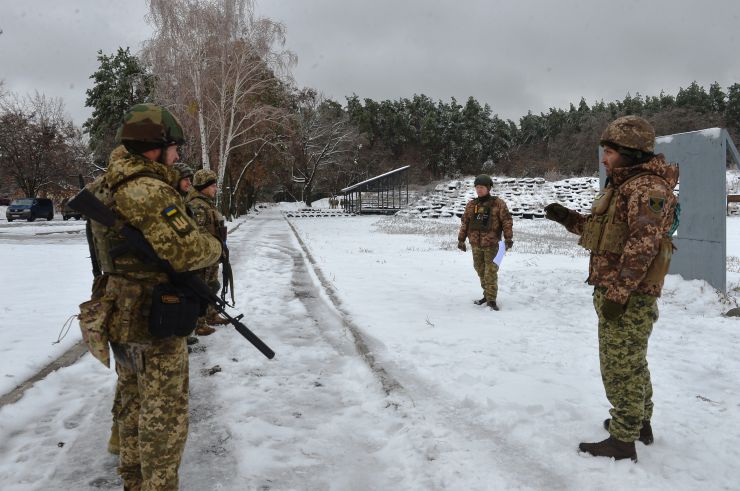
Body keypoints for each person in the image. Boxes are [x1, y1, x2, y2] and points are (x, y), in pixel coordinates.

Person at [87, 103, 222, 488]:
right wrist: (214, 247)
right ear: (153, 147)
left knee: (131, 400)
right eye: (174, 147)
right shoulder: (147, 190)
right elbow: (188, 250)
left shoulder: (105, 185)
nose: (178, 156)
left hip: (120, 311)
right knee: (164, 415)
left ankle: (133, 479)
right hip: (153, 318)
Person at [544, 115, 678, 462]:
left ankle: (622, 441)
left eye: (609, 151)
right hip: (618, 290)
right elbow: (602, 232)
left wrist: (618, 295)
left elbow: (643, 247)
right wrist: (566, 218)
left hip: (628, 295)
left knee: (620, 367)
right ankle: (638, 423)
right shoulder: (622, 186)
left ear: (630, 152)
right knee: (632, 363)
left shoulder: (646, 189)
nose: (604, 158)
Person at [457, 174, 513, 310]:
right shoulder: (471, 205)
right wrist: (461, 240)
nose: (479, 190)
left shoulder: (498, 203)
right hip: (476, 245)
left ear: (488, 188)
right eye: (477, 187)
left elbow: (507, 221)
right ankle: (486, 295)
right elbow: (465, 223)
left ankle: (492, 300)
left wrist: (508, 239)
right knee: (480, 270)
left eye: (481, 187)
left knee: (491, 272)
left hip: (495, 246)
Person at [188, 168, 230, 334]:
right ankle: (198, 323)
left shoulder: (206, 204)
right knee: (202, 288)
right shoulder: (197, 206)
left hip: (212, 255)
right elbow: (196, 234)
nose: (216, 188)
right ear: (203, 186)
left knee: (212, 285)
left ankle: (211, 314)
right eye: (212, 185)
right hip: (203, 257)